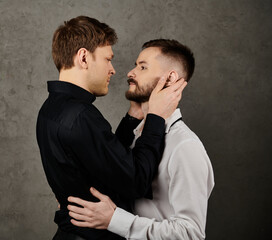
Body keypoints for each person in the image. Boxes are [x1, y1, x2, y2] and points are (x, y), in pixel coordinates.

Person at [36, 16, 187, 240]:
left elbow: (105, 162)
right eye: (108, 59)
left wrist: (133, 117)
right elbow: (135, 180)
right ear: (84, 57)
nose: (113, 70)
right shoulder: (80, 116)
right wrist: (155, 117)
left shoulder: (51, 109)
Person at [67, 39, 215, 239]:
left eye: (143, 67)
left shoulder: (184, 147)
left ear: (170, 78)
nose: (130, 73)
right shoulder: (137, 135)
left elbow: (191, 233)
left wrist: (115, 220)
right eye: (136, 65)